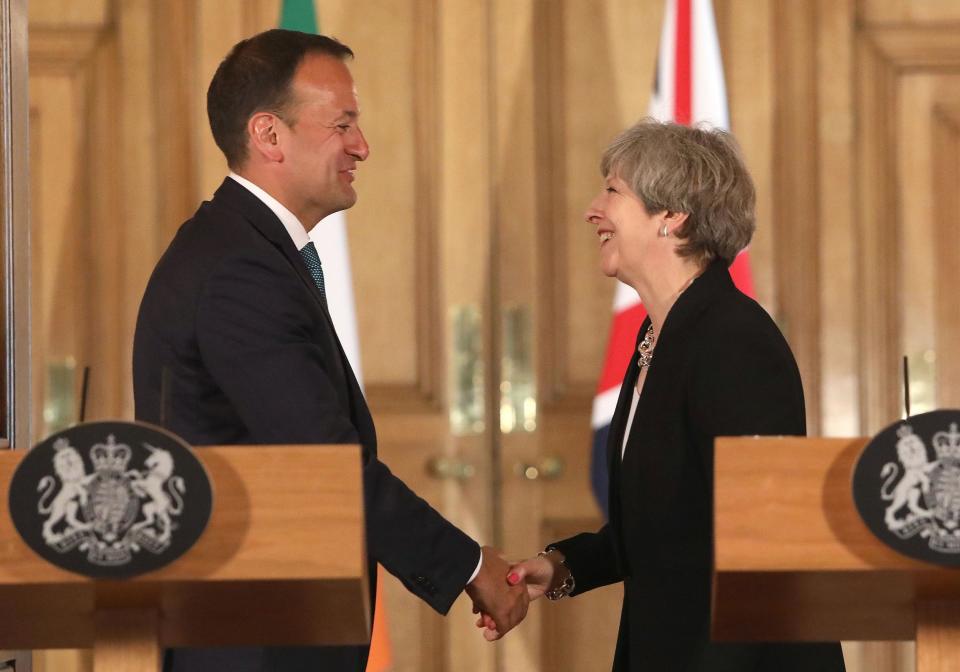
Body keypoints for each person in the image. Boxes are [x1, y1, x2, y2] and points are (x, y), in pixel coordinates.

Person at [133, 29, 526, 672]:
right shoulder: (240, 271)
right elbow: (328, 463)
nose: (361, 146)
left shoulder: (244, 250)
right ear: (268, 135)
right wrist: (471, 567)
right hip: (253, 639)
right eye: (342, 124)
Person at [503, 120, 846, 671]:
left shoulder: (734, 343)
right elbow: (667, 525)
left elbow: (759, 548)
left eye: (613, 190)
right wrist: (564, 566)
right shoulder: (656, 337)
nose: (593, 209)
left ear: (672, 215)